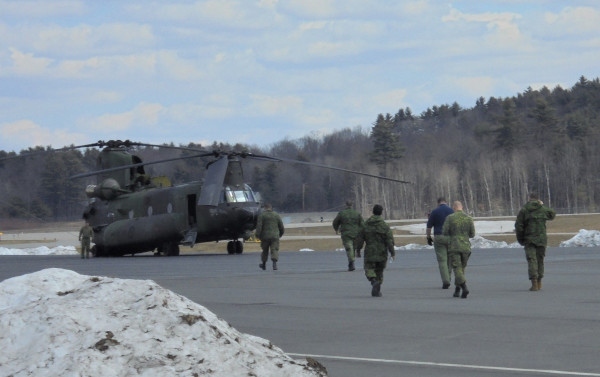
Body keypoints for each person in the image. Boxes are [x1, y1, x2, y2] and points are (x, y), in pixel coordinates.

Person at [515, 193, 556, 291]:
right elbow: (552, 214)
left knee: (532, 260)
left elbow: (519, 226)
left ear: (529, 199)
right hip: (541, 239)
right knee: (540, 259)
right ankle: (539, 281)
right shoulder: (542, 209)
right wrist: (542, 205)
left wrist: (521, 239)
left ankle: (534, 283)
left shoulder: (524, 210)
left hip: (529, 239)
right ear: (538, 199)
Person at [355, 204, 395, 297]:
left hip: (370, 252)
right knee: (380, 271)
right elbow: (389, 240)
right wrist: (392, 252)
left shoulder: (366, 224)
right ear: (381, 213)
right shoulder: (384, 226)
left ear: (373, 212)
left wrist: (358, 250)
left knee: (369, 268)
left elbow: (360, 238)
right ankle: (377, 289)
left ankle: (373, 282)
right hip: (382, 252)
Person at [442, 201, 475, 298]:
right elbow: (472, 234)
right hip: (465, 247)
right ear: (462, 207)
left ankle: (464, 287)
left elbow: (445, 232)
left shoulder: (450, 218)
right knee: (461, 269)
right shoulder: (469, 218)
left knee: (457, 269)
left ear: (454, 208)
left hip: (454, 247)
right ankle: (457, 290)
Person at [426, 197, 454, 289]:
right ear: (446, 202)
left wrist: (428, 237)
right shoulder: (452, 211)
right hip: (450, 237)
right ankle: (449, 278)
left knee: (442, 260)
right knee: (450, 260)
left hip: (439, 236)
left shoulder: (434, 212)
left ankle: (445, 281)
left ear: (438, 203)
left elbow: (429, 227)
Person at [332, 200, 364, 271]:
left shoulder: (342, 213)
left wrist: (336, 229)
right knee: (353, 248)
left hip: (346, 234)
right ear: (352, 205)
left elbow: (335, 222)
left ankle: (351, 262)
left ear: (346, 205)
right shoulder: (357, 213)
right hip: (356, 234)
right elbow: (362, 224)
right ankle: (352, 261)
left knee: (349, 248)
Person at [255, 203, 285, 271]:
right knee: (274, 249)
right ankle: (274, 264)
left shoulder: (262, 216)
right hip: (275, 236)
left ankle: (264, 264)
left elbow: (259, 227)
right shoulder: (276, 215)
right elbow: (281, 226)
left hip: (265, 236)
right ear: (271, 208)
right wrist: (280, 234)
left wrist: (257, 235)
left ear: (265, 208)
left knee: (265, 250)